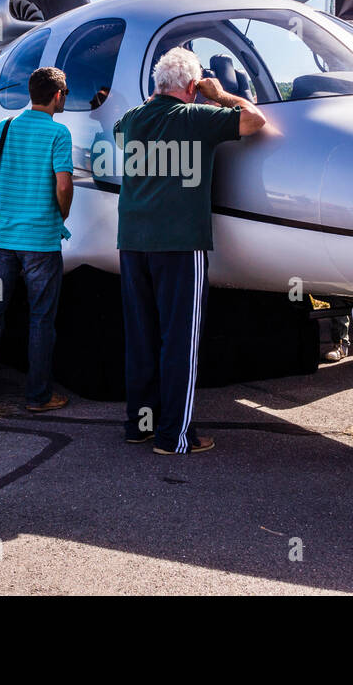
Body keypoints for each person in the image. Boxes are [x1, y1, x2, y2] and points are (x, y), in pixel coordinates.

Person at [116, 47, 268, 454]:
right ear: (191, 85)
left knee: (142, 338)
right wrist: (218, 94)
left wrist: (161, 94)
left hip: (132, 242)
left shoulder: (130, 121)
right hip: (179, 243)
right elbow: (255, 120)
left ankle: (139, 424)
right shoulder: (198, 117)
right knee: (178, 340)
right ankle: (174, 435)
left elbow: (117, 130)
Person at [0, 67, 74, 413]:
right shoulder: (59, 133)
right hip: (41, 245)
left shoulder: (4, 128)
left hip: (2, 243)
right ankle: (38, 396)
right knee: (40, 318)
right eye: (64, 93)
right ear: (57, 96)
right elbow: (64, 185)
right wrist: (61, 214)